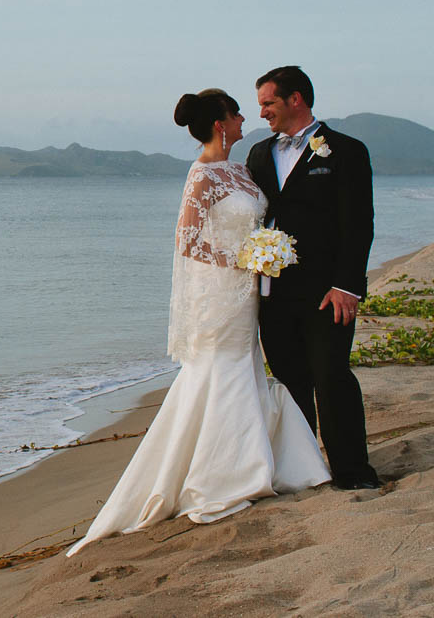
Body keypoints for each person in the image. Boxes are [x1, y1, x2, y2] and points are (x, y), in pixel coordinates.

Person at [67, 89, 329, 556]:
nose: (246, 117)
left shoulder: (240, 168)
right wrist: (245, 258)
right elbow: (187, 241)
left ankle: (250, 465)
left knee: (244, 368)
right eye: (237, 112)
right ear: (220, 124)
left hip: (246, 292)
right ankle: (224, 476)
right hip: (221, 291)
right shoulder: (202, 174)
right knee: (220, 371)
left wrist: (260, 254)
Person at [247, 66, 381, 490]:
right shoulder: (257, 154)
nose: (263, 112)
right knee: (290, 382)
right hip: (274, 292)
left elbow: (359, 224)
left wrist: (347, 286)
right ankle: (305, 470)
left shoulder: (346, 150)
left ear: (296, 99)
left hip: (328, 291)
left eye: (269, 102)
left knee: (332, 376)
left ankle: (352, 472)